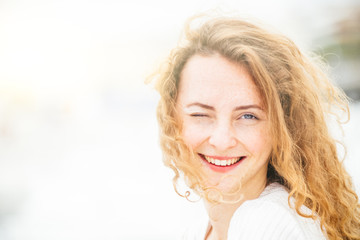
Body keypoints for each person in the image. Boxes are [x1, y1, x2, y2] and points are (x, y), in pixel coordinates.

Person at [152, 15, 360, 240]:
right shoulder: (199, 229)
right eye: (200, 114)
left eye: (248, 116)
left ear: (282, 128)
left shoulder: (265, 223)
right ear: (172, 120)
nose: (222, 140)